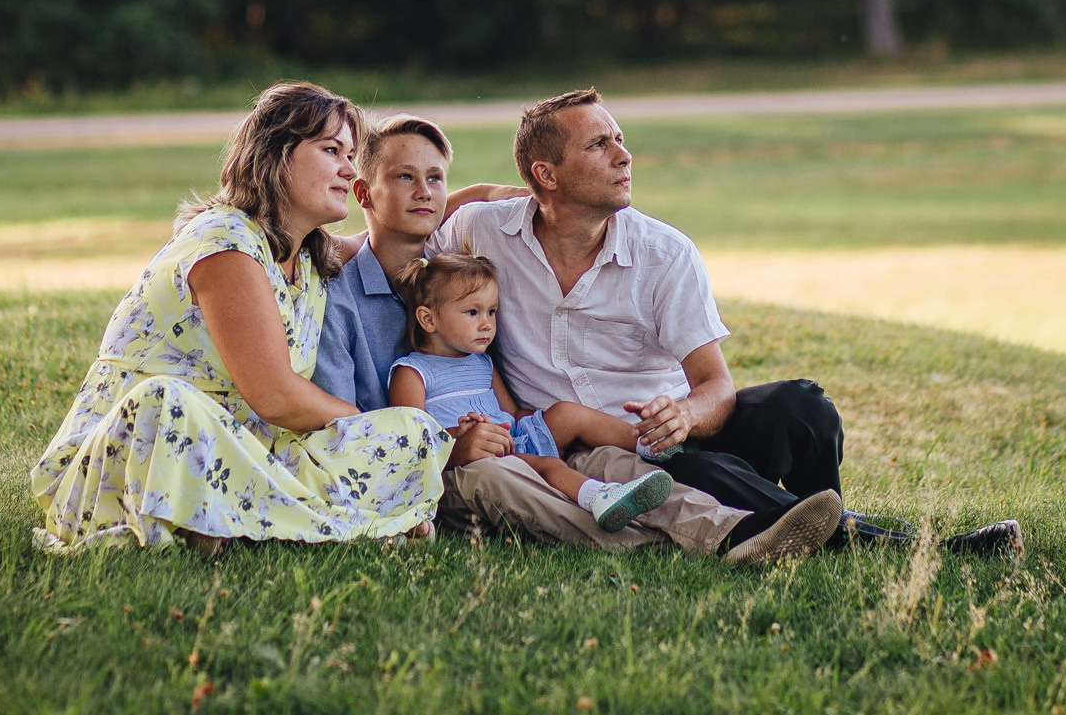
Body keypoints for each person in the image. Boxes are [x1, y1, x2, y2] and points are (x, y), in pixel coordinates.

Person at [431, 89, 1025, 560]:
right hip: (596, 453)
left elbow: (715, 386)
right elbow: (419, 220)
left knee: (803, 408)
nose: (624, 156)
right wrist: (496, 192)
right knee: (708, 473)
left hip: (673, 427)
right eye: (599, 145)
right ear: (547, 174)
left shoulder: (664, 253)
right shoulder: (485, 232)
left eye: (620, 140)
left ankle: (812, 523)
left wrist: (685, 415)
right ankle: (893, 544)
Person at [30, 82, 450, 558]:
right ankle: (345, 522)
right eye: (332, 151)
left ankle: (243, 522)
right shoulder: (225, 241)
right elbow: (275, 395)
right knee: (167, 402)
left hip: (250, 452)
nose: (349, 169)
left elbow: (396, 229)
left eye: (351, 155)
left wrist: (507, 200)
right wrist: (358, 425)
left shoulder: (310, 256)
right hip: (142, 450)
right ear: (278, 154)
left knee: (411, 432)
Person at [315, 113, 748, 558]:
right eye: (405, 177)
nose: (424, 191)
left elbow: (453, 208)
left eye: (435, 178)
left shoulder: (452, 271)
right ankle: (660, 546)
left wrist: (499, 193)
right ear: (363, 193)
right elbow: (341, 430)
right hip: (444, 468)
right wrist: (454, 449)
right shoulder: (339, 297)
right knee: (500, 475)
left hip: (510, 442)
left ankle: (736, 529)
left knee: (599, 459)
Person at [387, 253, 677, 530]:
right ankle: (599, 497)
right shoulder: (413, 373)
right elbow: (409, 443)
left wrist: (550, 424)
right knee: (549, 465)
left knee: (566, 413)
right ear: (428, 320)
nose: (487, 324)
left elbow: (512, 413)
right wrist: (458, 436)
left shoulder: (482, 363)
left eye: (491, 312)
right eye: (472, 312)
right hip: (480, 458)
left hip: (513, 440)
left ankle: (651, 442)